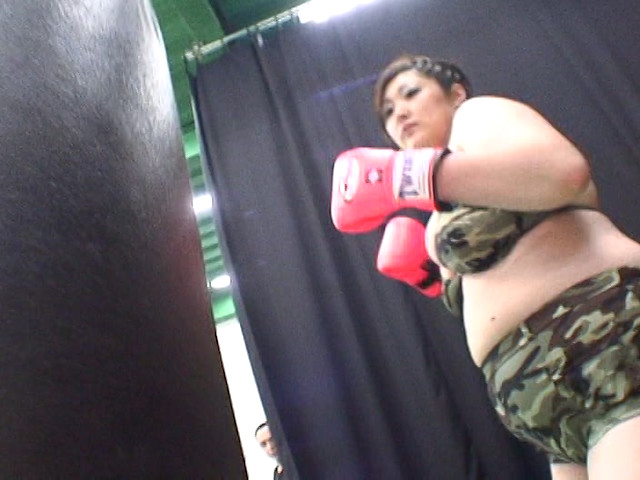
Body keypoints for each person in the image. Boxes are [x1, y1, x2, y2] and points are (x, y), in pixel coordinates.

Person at [330, 53, 640, 480]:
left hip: (605, 347)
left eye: (411, 93)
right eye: (387, 111)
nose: (398, 113)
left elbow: (564, 172)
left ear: (455, 94)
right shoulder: (438, 214)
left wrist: (407, 176)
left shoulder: (476, 117)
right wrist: (432, 279)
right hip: (549, 407)